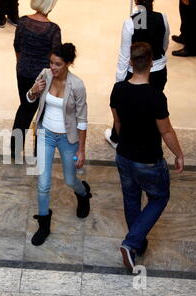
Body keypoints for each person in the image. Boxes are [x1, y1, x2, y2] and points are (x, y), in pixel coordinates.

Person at [110, 42, 184, 272]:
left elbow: (118, 123)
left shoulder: (118, 89)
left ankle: (136, 245)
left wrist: (125, 144)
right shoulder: (155, 96)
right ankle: (131, 242)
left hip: (124, 155)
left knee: (131, 199)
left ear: (131, 62)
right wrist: (179, 154)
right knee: (159, 198)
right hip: (148, 160)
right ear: (151, 63)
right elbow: (166, 131)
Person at [28, 43, 92, 246]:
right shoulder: (45, 75)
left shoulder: (77, 85)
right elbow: (30, 99)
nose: (52, 68)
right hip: (45, 134)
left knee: (70, 179)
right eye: (51, 63)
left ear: (68, 64)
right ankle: (44, 225)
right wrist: (33, 91)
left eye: (58, 64)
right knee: (43, 183)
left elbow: (82, 120)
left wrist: (81, 150)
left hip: (68, 138)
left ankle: (83, 194)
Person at [105, 0, 170, 149]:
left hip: (135, 72)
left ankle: (117, 138)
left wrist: (119, 80)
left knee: (126, 106)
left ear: (135, 1)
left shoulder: (130, 23)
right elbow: (164, 45)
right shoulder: (163, 18)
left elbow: (125, 55)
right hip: (158, 71)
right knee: (152, 104)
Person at [11, 0, 61, 159]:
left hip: (23, 72)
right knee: (42, 113)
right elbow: (56, 58)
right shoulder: (53, 30)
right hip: (43, 77)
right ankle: (39, 151)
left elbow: (16, 46)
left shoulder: (23, 22)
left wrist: (21, 62)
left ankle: (15, 148)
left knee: (25, 107)